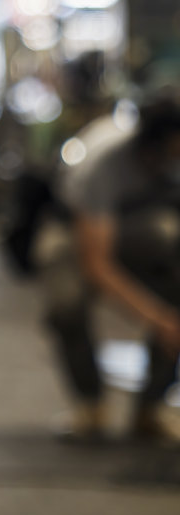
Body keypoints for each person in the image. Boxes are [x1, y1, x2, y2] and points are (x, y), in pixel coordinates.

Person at [43, 95, 180, 444]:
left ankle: (151, 409)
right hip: (75, 232)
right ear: (154, 143)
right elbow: (96, 264)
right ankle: (91, 406)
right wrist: (157, 318)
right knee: (65, 304)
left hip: (143, 229)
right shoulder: (105, 164)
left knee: (166, 238)